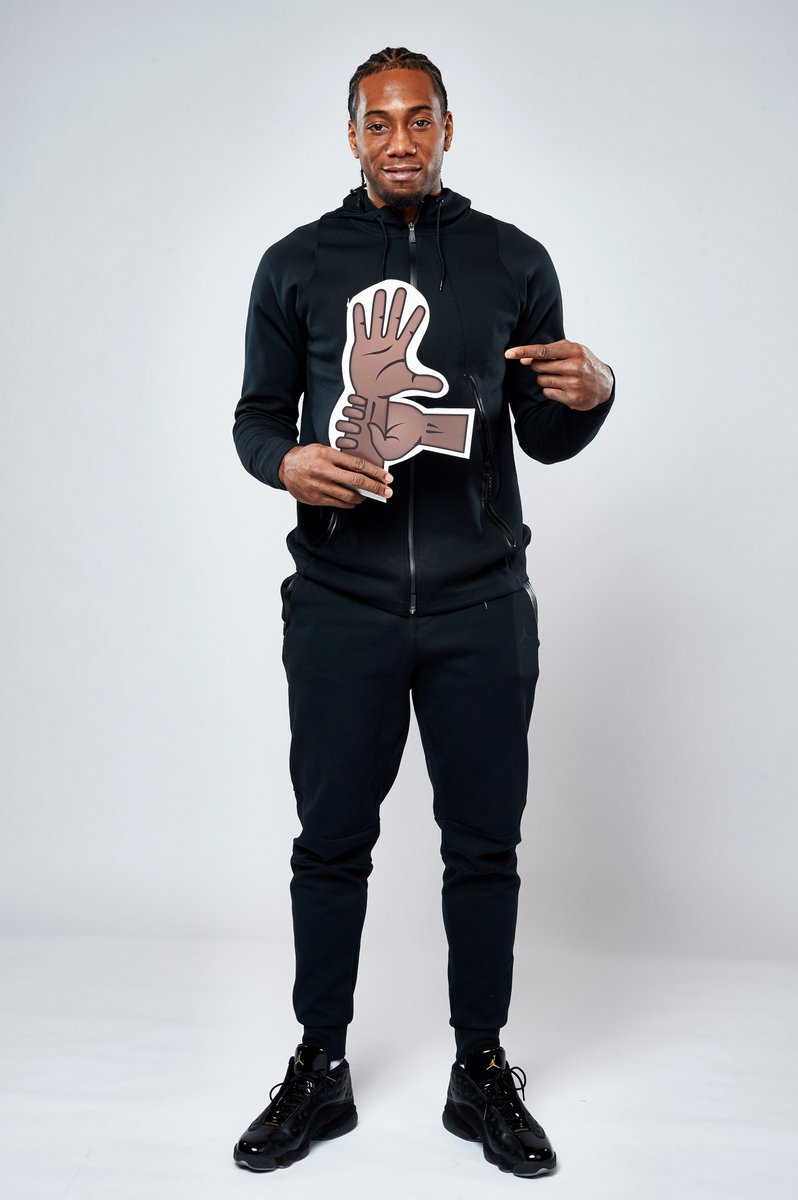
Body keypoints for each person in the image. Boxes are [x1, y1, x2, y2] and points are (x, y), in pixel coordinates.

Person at [231, 47, 614, 1178]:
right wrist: (288, 462)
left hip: (481, 605)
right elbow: (256, 415)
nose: (399, 140)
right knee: (330, 845)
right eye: (378, 122)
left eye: (418, 119)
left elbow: (544, 432)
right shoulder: (296, 264)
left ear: (448, 126)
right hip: (339, 603)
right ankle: (320, 1067)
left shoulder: (512, 260)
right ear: (352, 134)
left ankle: (479, 1071)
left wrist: (594, 394)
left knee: (484, 847)